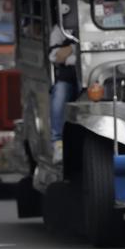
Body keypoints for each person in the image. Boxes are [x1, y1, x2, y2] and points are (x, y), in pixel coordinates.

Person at [49, 13, 77, 151]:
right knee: (59, 93)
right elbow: (56, 56)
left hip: (95, 75)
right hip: (69, 74)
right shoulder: (62, 27)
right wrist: (76, 47)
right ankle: (57, 142)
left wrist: (69, 49)